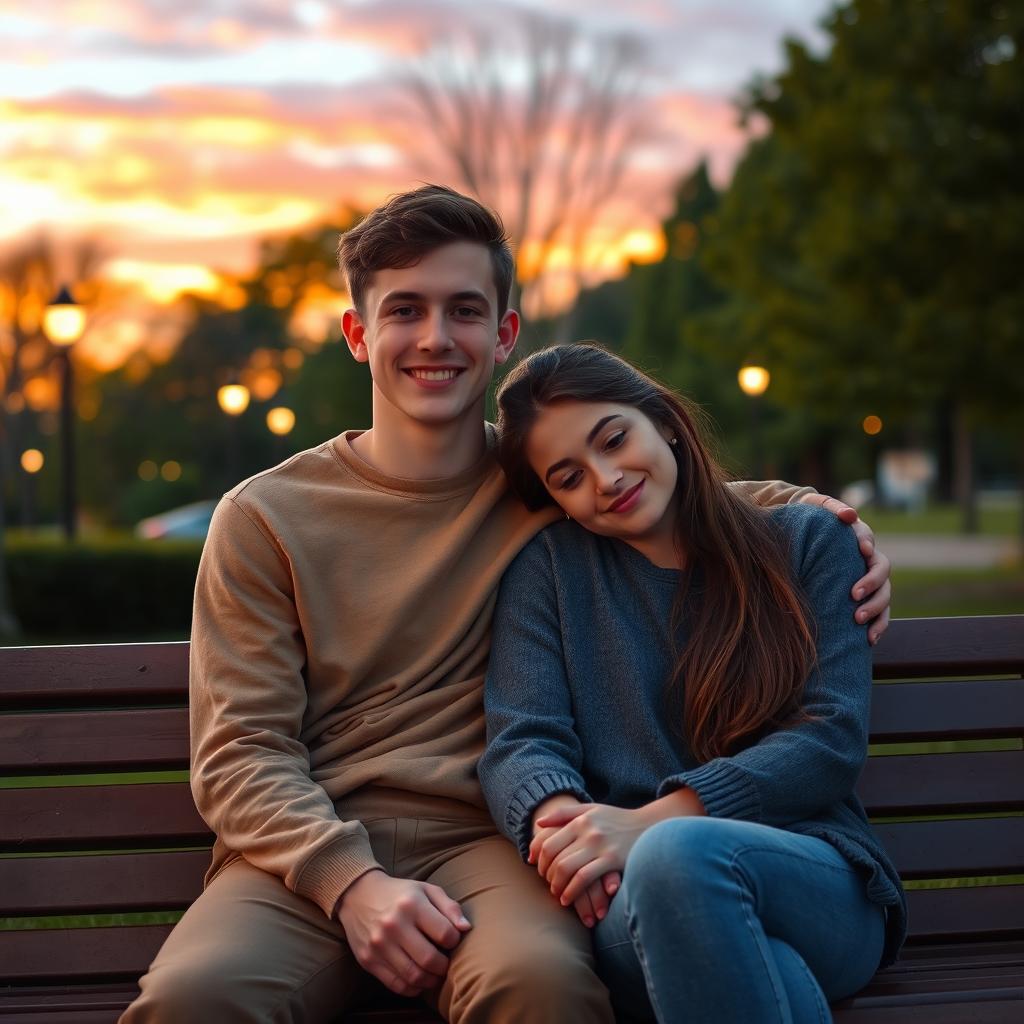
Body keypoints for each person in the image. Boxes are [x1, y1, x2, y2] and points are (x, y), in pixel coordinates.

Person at [122, 188, 893, 1023]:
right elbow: (242, 750)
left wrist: (819, 513)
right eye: (404, 310)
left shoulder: (537, 482)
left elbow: (665, 487)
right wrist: (353, 885)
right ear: (358, 334)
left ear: (503, 334)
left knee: (544, 987)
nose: (434, 338)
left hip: (486, 846)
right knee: (193, 1000)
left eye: (464, 310)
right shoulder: (264, 518)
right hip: (307, 850)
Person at [479, 343, 907, 1024]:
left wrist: (651, 826)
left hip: (816, 880)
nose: (607, 477)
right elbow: (522, 739)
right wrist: (564, 829)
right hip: (623, 899)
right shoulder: (550, 572)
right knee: (765, 968)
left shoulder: (805, 544)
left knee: (677, 861)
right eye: (568, 476)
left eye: (613, 439)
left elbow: (828, 739)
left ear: (663, 419)